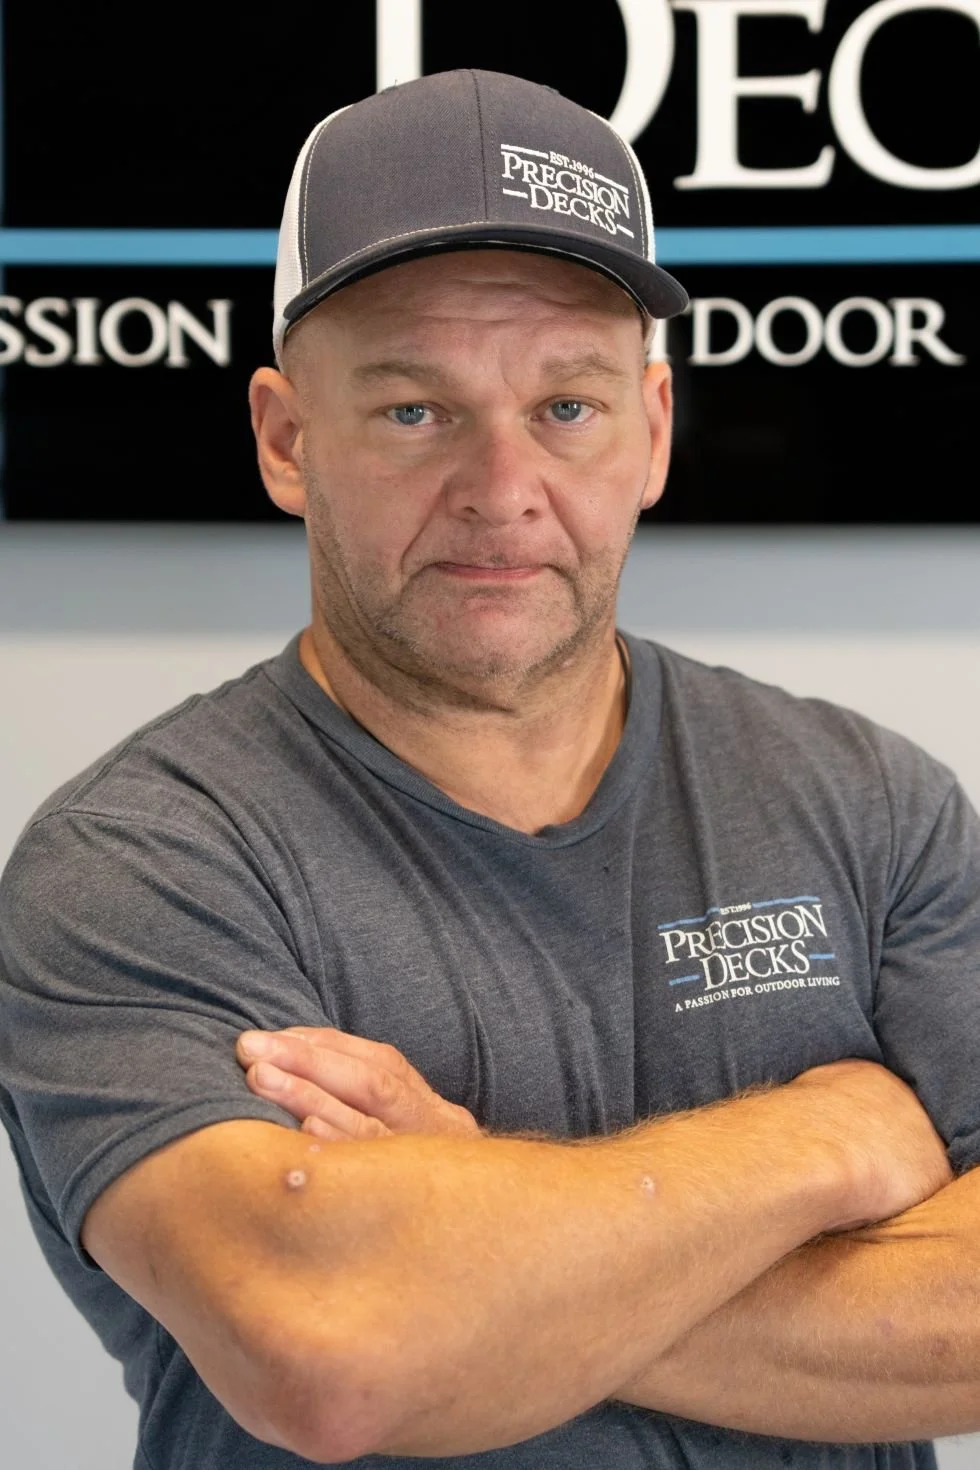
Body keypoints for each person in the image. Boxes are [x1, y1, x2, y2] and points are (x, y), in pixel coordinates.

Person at [1, 67, 979, 1470]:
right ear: (286, 439)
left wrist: (472, 1252)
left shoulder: (870, 803)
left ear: (652, 427)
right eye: (414, 410)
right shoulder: (142, 859)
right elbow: (333, 1353)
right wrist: (834, 1132)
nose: (502, 485)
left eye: (567, 407)